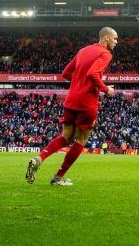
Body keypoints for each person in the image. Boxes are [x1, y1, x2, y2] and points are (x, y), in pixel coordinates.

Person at [25, 27, 118, 186]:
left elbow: (66, 73)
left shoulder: (83, 50)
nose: (116, 42)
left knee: (65, 137)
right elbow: (93, 74)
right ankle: (58, 177)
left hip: (71, 100)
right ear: (107, 37)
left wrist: (78, 82)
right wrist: (106, 89)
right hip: (87, 103)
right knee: (81, 140)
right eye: (115, 39)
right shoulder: (105, 54)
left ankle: (39, 158)